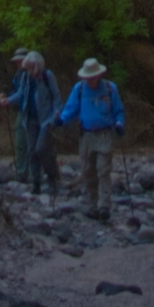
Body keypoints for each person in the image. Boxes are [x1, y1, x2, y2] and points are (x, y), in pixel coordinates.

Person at [56, 55, 126, 220]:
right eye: (87, 77)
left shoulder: (110, 88)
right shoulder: (79, 89)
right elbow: (71, 109)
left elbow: (118, 110)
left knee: (103, 171)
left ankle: (104, 206)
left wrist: (119, 123)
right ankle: (94, 204)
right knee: (88, 172)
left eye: (92, 77)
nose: (90, 80)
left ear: (98, 75)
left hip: (104, 135)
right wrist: (60, 120)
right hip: (86, 136)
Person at [1, 50, 60, 196]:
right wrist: (8, 100)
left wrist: (57, 114)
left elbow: (56, 97)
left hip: (46, 119)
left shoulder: (47, 76)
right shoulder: (26, 77)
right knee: (31, 151)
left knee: (41, 149)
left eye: (32, 68)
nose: (30, 71)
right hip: (30, 119)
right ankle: (37, 183)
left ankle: (52, 178)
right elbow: (21, 93)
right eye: (28, 68)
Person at [0, 48, 31, 184]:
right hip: (21, 112)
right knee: (21, 142)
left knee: (27, 142)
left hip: (30, 112)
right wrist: (6, 96)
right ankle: (22, 172)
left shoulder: (31, 75)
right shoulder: (18, 74)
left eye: (20, 61)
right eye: (17, 61)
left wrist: (8, 101)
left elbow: (22, 94)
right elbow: (16, 91)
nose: (18, 63)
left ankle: (25, 172)